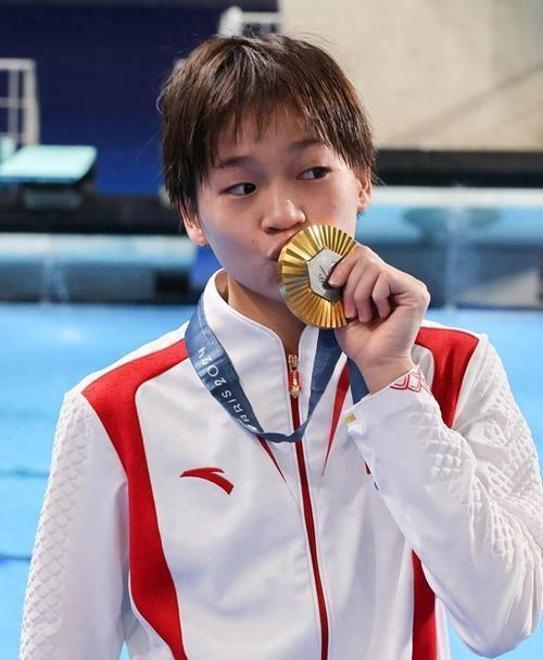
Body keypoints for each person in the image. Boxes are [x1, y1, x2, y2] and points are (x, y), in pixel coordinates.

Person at [19, 34, 543, 660]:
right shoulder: (114, 411)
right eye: (241, 187)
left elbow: (505, 618)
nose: (285, 213)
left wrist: (394, 389)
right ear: (192, 215)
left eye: (313, 172)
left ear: (362, 179)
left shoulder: (452, 368)